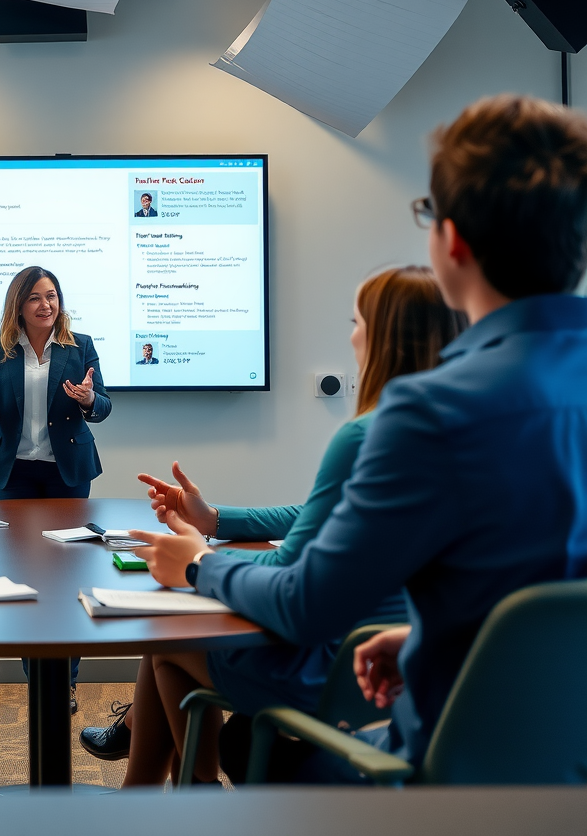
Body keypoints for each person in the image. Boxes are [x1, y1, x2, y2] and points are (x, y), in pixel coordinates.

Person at [129, 95, 587, 784]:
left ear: (452, 241)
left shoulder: (433, 414)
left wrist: (198, 563)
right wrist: (435, 635)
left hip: (449, 784)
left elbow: (305, 607)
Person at [80, 267, 464, 779]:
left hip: (343, 664)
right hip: (405, 655)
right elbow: (314, 513)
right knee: (169, 643)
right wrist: (214, 519)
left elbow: (290, 573)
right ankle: (161, 796)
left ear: (384, 338)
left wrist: (198, 561)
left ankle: (185, 795)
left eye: (356, 323)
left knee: (167, 635)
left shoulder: (368, 435)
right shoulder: (457, 429)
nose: (352, 337)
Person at [0, 265, 112, 711]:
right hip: (15, 475)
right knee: (25, 577)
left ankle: (65, 682)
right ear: (19, 304)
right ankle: (38, 681)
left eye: (52, 296)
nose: (46, 305)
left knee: (67, 577)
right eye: (35, 297)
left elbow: (103, 406)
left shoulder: (80, 345)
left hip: (67, 473)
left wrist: (89, 399)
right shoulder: (0, 349)